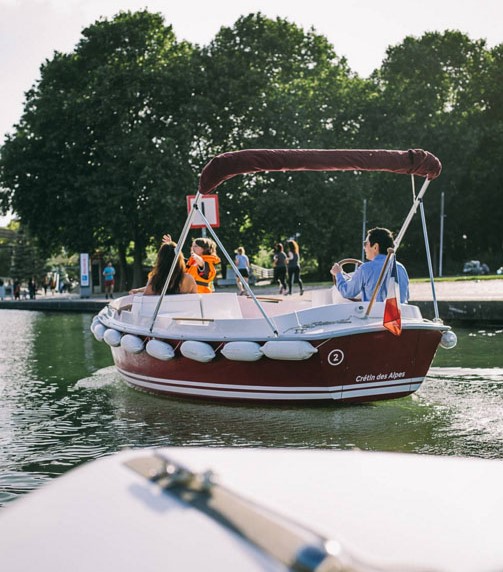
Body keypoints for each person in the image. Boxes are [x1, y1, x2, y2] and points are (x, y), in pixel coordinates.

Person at [330, 226, 409, 303]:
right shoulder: (400, 268)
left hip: (375, 314)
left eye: (365, 244)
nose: (364, 247)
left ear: (375, 247)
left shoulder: (366, 268)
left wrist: (338, 274)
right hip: (401, 314)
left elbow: (347, 292)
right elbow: (405, 297)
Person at [129, 239, 197, 296]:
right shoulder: (189, 279)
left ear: (160, 260)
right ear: (179, 259)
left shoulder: (156, 280)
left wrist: (138, 291)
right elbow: (195, 301)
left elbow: (146, 300)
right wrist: (138, 290)